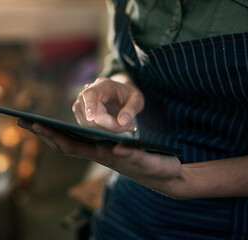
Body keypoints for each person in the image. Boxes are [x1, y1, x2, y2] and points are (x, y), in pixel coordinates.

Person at [18, 0, 248, 239]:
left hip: (227, 220)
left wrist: (186, 180)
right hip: (131, 194)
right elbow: (120, 60)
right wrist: (119, 84)